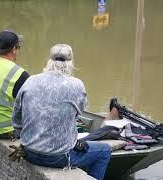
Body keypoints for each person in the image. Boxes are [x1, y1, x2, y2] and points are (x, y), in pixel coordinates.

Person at [11, 44, 111, 180]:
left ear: (49, 61)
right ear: (71, 64)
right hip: (59, 157)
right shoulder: (77, 85)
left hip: (29, 152)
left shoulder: (30, 80)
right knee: (104, 151)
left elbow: (16, 117)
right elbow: (79, 112)